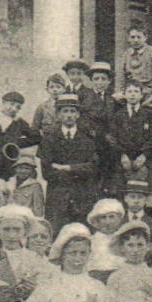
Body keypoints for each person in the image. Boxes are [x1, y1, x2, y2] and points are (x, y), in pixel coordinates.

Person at [39, 93, 101, 229]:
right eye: (65, 111)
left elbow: (93, 169)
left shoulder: (88, 140)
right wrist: (79, 170)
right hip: (58, 197)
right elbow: (47, 172)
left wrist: (66, 168)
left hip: (82, 197)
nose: (69, 115)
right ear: (59, 115)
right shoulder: (49, 139)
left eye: (73, 111)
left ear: (78, 115)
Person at [85, 198, 127, 284]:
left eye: (111, 217)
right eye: (103, 217)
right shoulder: (91, 241)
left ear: (119, 219)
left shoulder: (124, 240)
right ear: (97, 220)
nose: (108, 222)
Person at [121, 22, 152, 93]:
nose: (136, 40)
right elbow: (121, 75)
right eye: (132, 37)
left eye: (139, 37)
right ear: (128, 39)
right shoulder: (126, 54)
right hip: (131, 90)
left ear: (145, 38)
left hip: (149, 90)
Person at [10, 148, 47, 219]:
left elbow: (38, 211)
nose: (23, 171)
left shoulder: (35, 186)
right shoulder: (9, 183)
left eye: (27, 168)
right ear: (15, 169)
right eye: (20, 168)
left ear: (32, 171)